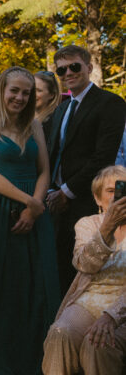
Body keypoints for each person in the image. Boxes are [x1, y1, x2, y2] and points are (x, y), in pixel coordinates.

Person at [21, 165, 126, 375]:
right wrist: (107, 229)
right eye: (112, 191)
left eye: (124, 189)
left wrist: (111, 316)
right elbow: (85, 264)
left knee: (100, 344)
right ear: (99, 199)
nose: (119, 196)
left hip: (122, 308)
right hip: (90, 299)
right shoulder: (88, 224)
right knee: (61, 332)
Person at [0, 67, 62, 375]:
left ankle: (34, 359)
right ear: (1, 91)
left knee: (34, 283)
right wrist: (28, 202)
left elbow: (44, 170)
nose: (20, 97)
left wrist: (35, 208)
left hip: (34, 210)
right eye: (15, 91)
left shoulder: (34, 124)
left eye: (26, 92)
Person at [46, 44, 126, 293]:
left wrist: (67, 192)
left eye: (74, 66)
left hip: (87, 200)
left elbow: (103, 156)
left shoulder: (110, 103)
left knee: (86, 274)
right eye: (61, 70)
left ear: (89, 67)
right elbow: (54, 154)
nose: (67, 73)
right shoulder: (61, 108)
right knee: (60, 268)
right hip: (56, 201)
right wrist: (52, 190)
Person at [33, 69, 62, 146]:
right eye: (31, 89)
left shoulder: (55, 122)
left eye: (38, 90)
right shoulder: (21, 116)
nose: (32, 94)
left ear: (51, 95)